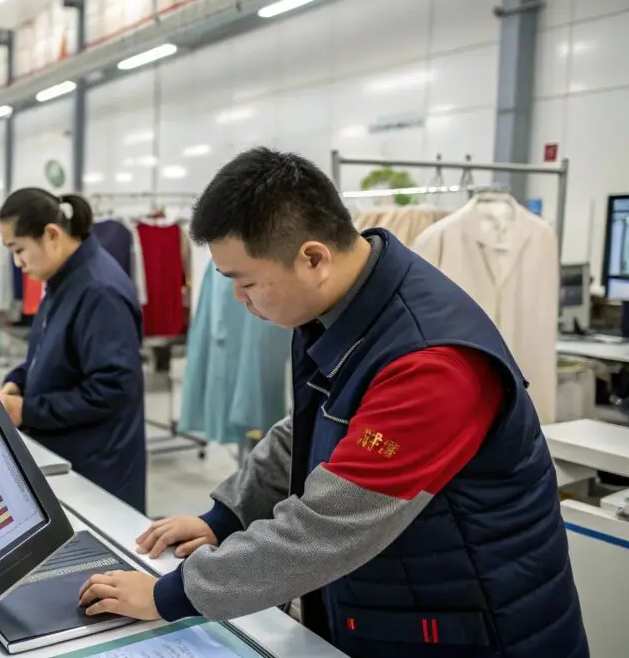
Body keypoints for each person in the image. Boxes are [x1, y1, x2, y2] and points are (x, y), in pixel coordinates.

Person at [78, 149, 588, 658]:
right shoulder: (345, 307)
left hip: (476, 629)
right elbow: (309, 423)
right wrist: (225, 517)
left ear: (314, 258)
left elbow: (327, 526)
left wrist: (170, 593)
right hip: (397, 602)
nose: (240, 301)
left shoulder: (431, 364)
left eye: (246, 282)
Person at [0, 188, 147, 513]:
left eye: (19, 249)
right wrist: (17, 383)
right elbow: (48, 353)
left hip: (99, 470)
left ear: (51, 234)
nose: (17, 263)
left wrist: (28, 410)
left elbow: (112, 389)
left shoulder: (99, 291)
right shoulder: (62, 280)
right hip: (70, 453)